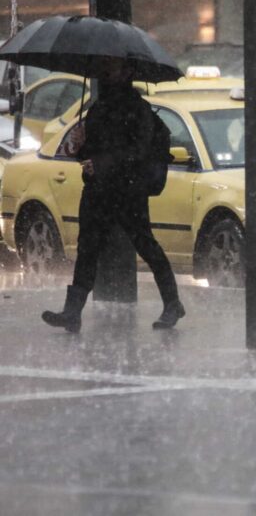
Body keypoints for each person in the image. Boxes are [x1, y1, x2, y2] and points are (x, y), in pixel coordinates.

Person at [41, 60, 184, 333]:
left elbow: (138, 152)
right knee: (88, 248)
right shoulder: (98, 107)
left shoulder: (138, 110)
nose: (106, 72)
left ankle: (172, 302)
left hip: (128, 191)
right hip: (97, 190)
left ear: (128, 72)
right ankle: (72, 312)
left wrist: (103, 163)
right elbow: (90, 153)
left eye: (113, 68)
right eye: (104, 67)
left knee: (145, 244)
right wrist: (78, 146)